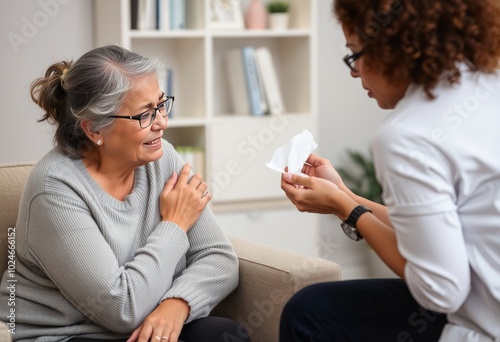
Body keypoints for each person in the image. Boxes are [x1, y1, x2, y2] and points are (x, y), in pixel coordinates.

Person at [279, 0, 500, 341]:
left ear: (395, 48)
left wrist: (346, 209)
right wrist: (346, 196)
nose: (354, 73)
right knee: (312, 307)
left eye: (355, 55)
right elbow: (439, 230)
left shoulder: (409, 134)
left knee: (311, 314)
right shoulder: (486, 86)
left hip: (484, 322)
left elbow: (441, 290)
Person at [0, 45, 250, 342]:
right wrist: (175, 224)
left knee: (224, 334)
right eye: (145, 115)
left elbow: (219, 257)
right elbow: (122, 309)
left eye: (161, 105)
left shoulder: (162, 158)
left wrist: (177, 303)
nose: (162, 123)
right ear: (94, 129)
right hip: (66, 336)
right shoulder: (54, 190)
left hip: (143, 321)